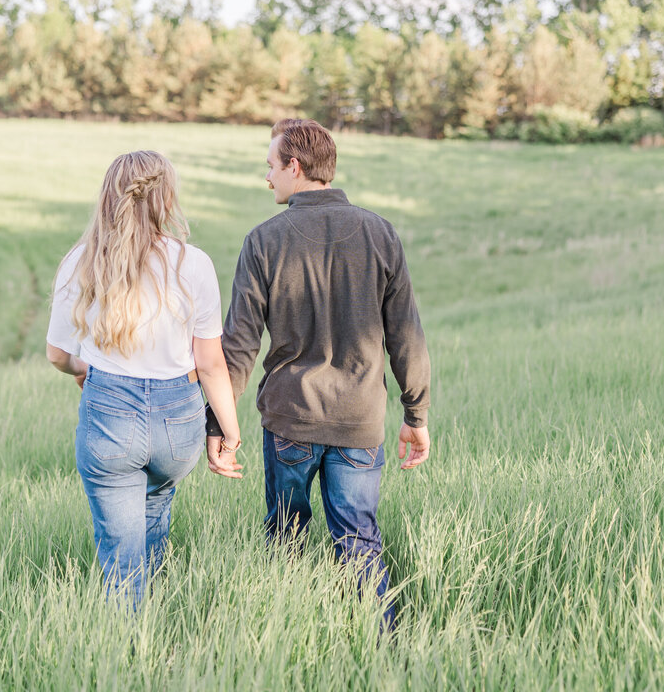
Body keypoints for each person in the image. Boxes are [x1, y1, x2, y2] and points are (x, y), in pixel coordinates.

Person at [206, 119, 431, 627]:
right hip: (360, 421)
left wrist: (219, 424)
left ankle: (282, 641)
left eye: (270, 166)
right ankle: (385, 651)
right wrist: (415, 413)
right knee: (359, 543)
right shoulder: (381, 234)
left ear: (295, 165)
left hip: (291, 420)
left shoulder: (263, 240)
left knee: (284, 540)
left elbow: (238, 344)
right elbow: (407, 337)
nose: (266, 177)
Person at [46, 150, 243, 604]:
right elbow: (212, 363)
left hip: (110, 416)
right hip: (179, 423)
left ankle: (129, 651)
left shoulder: (81, 261)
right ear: (166, 199)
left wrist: (82, 368)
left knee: (120, 555)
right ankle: (154, 623)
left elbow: (58, 354)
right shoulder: (193, 263)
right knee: (155, 511)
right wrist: (229, 435)